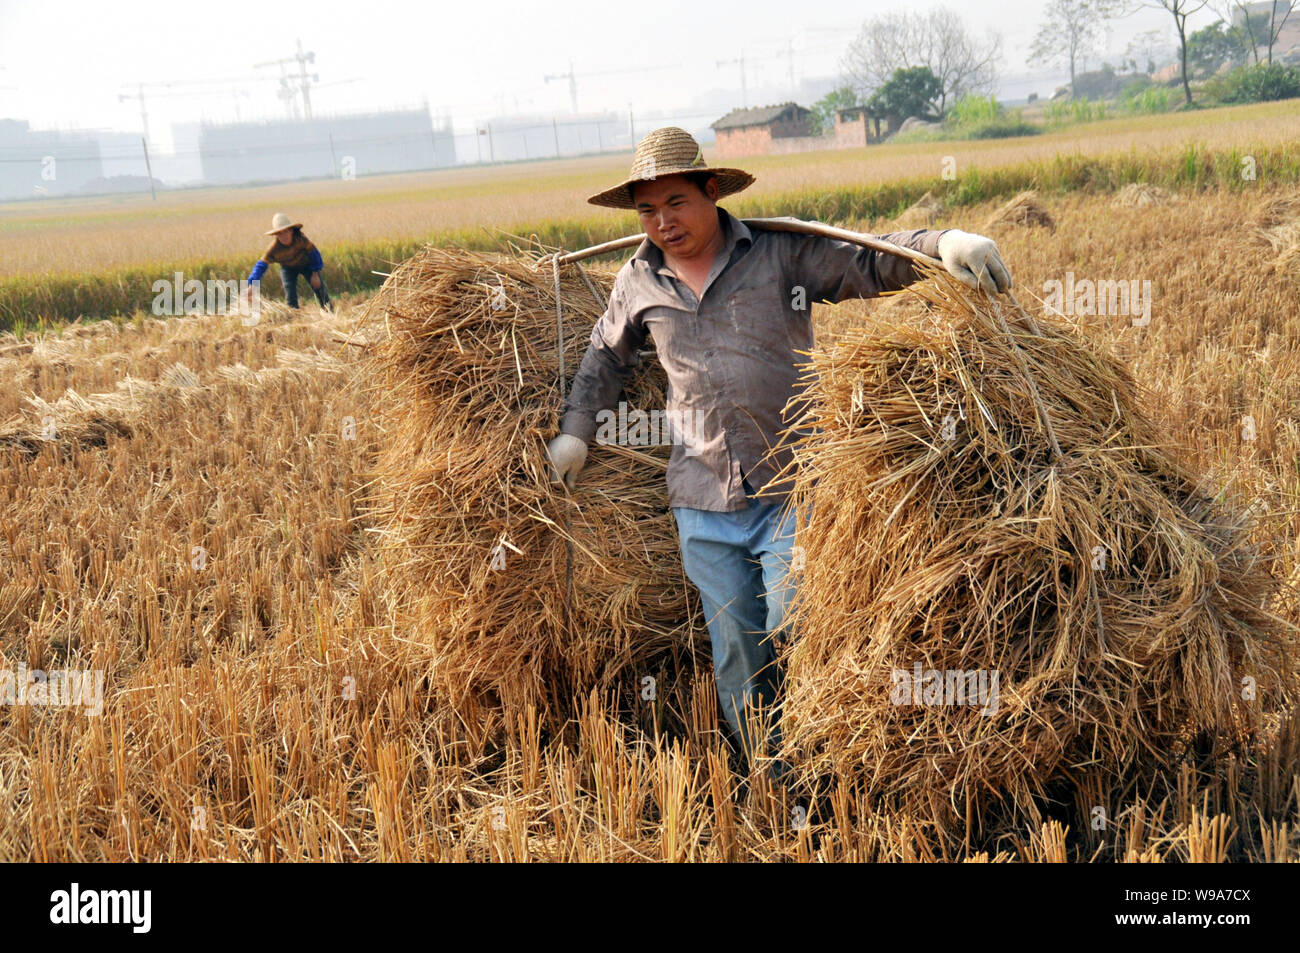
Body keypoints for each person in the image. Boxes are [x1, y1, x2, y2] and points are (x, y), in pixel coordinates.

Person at [546, 126, 1011, 780]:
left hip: (793, 485)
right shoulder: (636, 281)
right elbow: (603, 359)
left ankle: (831, 760)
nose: (661, 221)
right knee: (737, 649)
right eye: (647, 210)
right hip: (703, 501)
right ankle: (775, 781)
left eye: (675, 202)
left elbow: (868, 258)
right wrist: (576, 431)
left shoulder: (777, 254)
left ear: (712, 190)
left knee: (797, 625)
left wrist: (944, 245)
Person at [246, 213, 332, 311]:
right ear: (276, 235)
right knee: (290, 293)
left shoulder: (301, 240)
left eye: (286, 231)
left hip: (306, 265)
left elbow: (314, 254)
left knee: (319, 288)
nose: (283, 236)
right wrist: (252, 285)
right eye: (279, 233)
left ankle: (328, 311)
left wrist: (315, 273)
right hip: (288, 268)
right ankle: (293, 316)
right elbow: (260, 266)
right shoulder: (274, 249)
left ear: (291, 231)